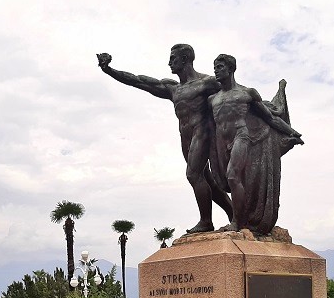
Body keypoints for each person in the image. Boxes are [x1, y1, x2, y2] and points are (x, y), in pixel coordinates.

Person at [97, 45, 233, 233]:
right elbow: (138, 81)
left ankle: (206, 222)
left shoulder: (206, 83)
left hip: (203, 133)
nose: (169, 62)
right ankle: (233, 213)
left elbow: (233, 93)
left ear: (185, 59)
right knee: (206, 179)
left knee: (193, 175)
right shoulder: (173, 88)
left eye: (173, 58)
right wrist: (109, 70)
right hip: (186, 138)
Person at [208, 54, 303, 235]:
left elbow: (269, 117)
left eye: (219, 67)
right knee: (229, 180)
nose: (216, 71)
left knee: (233, 176)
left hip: (241, 136)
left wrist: (291, 132)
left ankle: (238, 222)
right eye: (215, 67)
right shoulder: (212, 99)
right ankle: (240, 217)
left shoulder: (247, 93)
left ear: (230, 69)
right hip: (222, 142)